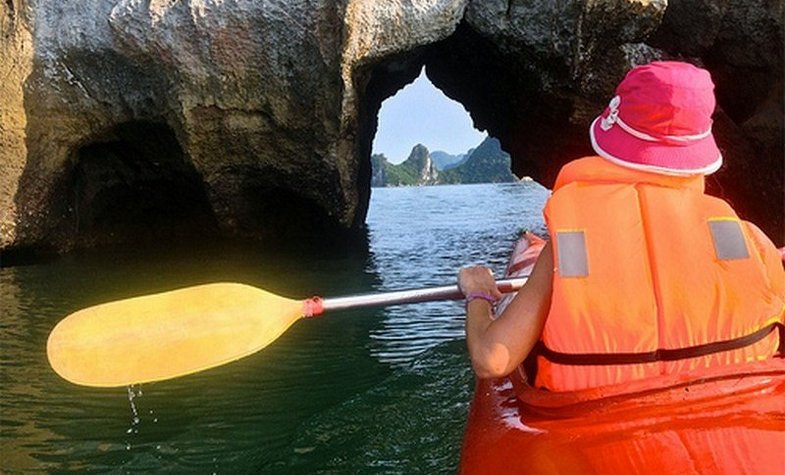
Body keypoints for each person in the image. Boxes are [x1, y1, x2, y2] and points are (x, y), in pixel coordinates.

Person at [459, 61, 785, 392]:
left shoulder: (569, 247)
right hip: (733, 418)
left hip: (595, 419)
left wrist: (479, 293)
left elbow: (491, 359)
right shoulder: (753, 242)